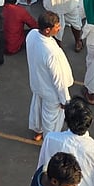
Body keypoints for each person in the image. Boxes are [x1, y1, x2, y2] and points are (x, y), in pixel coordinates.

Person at [26, 11, 73, 141]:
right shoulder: (51, 53)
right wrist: (64, 100)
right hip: (51, 93)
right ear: (47, 30)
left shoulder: (32, 34)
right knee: (50, 120)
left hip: (37, 84)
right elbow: (59, 81)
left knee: (37, 108)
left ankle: (38, 131)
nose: (59, 28)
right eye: (57, 26)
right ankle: (49, 141)